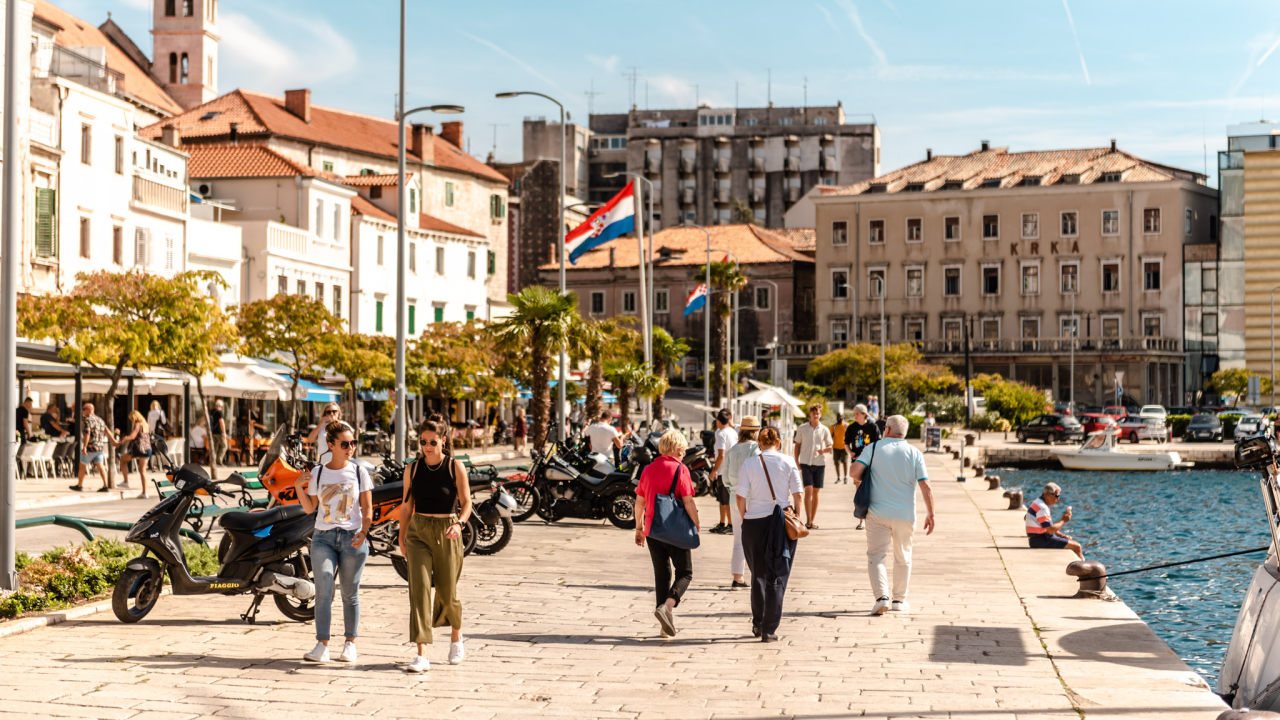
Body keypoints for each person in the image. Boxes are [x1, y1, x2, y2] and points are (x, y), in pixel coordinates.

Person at [295, 422, 373, 664]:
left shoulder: (359, 472)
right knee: (323, 591)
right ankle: (322, 645)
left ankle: (350, 643)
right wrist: (299, 486)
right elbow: (310, 508)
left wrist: (365, 531)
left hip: (352, 538)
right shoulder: (318, 473)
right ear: (331, 445)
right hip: (323, 539)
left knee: (350, 594)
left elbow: (368, 508)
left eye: (353, 443)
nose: (350, 448)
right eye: (345, 444)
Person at [398, 419, 472, 673]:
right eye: (423, 442)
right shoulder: (413, 468)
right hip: (418, 532)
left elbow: (467, 503)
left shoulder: (455, 467)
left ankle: (456, 638)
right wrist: (402, 537)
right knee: (418, 591)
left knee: (447, 590)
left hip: (448, 530)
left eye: (432, 442)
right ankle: (422, 653)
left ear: (443, 441)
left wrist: (460, 524)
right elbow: (406, 506)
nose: (427, 447)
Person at [850, 415, 936, 615]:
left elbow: (854, 472)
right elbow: (926, 485)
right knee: (903, 556)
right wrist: (931, 514)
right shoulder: (914, 453)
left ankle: (882, 598)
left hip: (877, 513)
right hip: (905, 514)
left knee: (876, 555)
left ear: (886, 429)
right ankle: (899, 600)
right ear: (904, 433)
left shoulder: (873, 448)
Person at [736, 427, 803, 642]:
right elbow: (798, 494)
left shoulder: (750, 462)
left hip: (754, 523)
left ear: (760, 444)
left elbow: (740, 496)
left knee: (757, 574)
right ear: (779, 442)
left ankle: (757, 622)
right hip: (781, 522)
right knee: (777, 574)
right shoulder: (788, 461)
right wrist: (796, 518)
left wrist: (745, 516)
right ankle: (769, 627)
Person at [634, 429, 701, 637]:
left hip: (653, 529)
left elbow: (640, 502)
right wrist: (697, 523)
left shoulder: (648, 469)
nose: (683, 453)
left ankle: (664, 627)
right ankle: (668, 605)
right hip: (677, 530)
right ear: (677, 449)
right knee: (685, 572)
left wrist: (639, 528)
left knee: (662, 575)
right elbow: (688, 501)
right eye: (682, 450)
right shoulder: (681, 469)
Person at [723, 415, 762, 589]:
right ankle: (757, 575)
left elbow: (724, 479)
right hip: (752, 498)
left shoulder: (731, 450)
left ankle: (737, 577)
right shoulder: (755, 449)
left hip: (734, 497)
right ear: (755, 432)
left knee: (738, 539)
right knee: (756, 538)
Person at [793, 403, 833, 530]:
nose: (816, 415)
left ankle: (812, 520)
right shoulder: (802, 428)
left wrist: (823, 450)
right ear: (810, 414)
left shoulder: (824, 429)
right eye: (813, 413)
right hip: (805, 463)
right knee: (808, 489)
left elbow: (830, 446)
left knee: (816, 491)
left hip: (819, 463)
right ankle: (808, 519)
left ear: (820, 414)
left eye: (818, 413)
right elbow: (797, 445)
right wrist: (796, 461)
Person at [1027, 482, 1084, 560]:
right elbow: (1050, 530)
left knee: (1070, 543)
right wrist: (1064, 520)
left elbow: (1046, 528)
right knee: (1077, 547)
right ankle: (1085, 570)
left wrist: (1062, 536)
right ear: (1048, 495)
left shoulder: (1038, 502)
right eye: (1056, 496)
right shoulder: (1042, 507)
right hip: (1040, 540)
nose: (1058, 499)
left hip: (1038, 538)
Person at [848, 404, 880, 530]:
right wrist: (850, 452)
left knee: (872, 490)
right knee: (859, 489)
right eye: (854, 413)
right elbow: (846, 443)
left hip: (872, 462)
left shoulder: (873, 427)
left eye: (857, 413)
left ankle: (871, 519)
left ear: (864, 414)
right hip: (857, 462)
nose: (855, 415)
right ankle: (862, 521)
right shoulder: (851, 427)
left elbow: (878, 443)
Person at [710, 409, 737, 534]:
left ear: (718, 421)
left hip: (723, 470)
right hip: (731, 469)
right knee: (723, 499)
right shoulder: (733, 432)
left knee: (725, 500)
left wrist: (714, 470)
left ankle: (730, 525)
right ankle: (723, 523)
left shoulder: (721, 434)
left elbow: (721, 455)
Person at [72, 402, 109, 492]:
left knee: (82, 465)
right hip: (100, 447)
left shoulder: (88, 420)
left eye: (84, 409)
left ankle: (79, 485)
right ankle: (105, 485)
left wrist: (84, 446)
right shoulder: (100, 420)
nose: (82, 411)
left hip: (91, 447)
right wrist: (113, 440)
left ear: (90, 410)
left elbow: (87, 434)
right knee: (101, 466)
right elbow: (107, 430)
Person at [115, 410, 152, 498]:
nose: (131, 420)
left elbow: (132, 436)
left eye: (131, 419)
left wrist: (120, 442)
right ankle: (144, 492)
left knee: (123, 460)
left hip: (138, 449)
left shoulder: (137, 425)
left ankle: (126, 481)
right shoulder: (146, 425)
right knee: (142, 471)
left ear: (135, 418)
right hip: (147, 449)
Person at [830, 412, 849, 485]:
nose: (839, 418)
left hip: (844, 447)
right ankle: (838, 478)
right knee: (836, 463)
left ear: (843, 416)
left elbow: (849, 436)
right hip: (836, 447)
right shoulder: (833, 426)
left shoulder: (846, 425)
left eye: (840, 416)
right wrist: (830, 447)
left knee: (845, 462)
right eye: (838, 416)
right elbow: (830, 437)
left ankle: (845, 477)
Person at [208, 399, 227, 465]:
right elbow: (222, 423)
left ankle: (213, 462)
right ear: (221, 406)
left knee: (214, 447)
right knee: (224, 446)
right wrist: (224, 433)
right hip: (219, 432)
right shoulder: (219, 412)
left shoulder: (211, 412)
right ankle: (219, 460)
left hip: (213, 432)